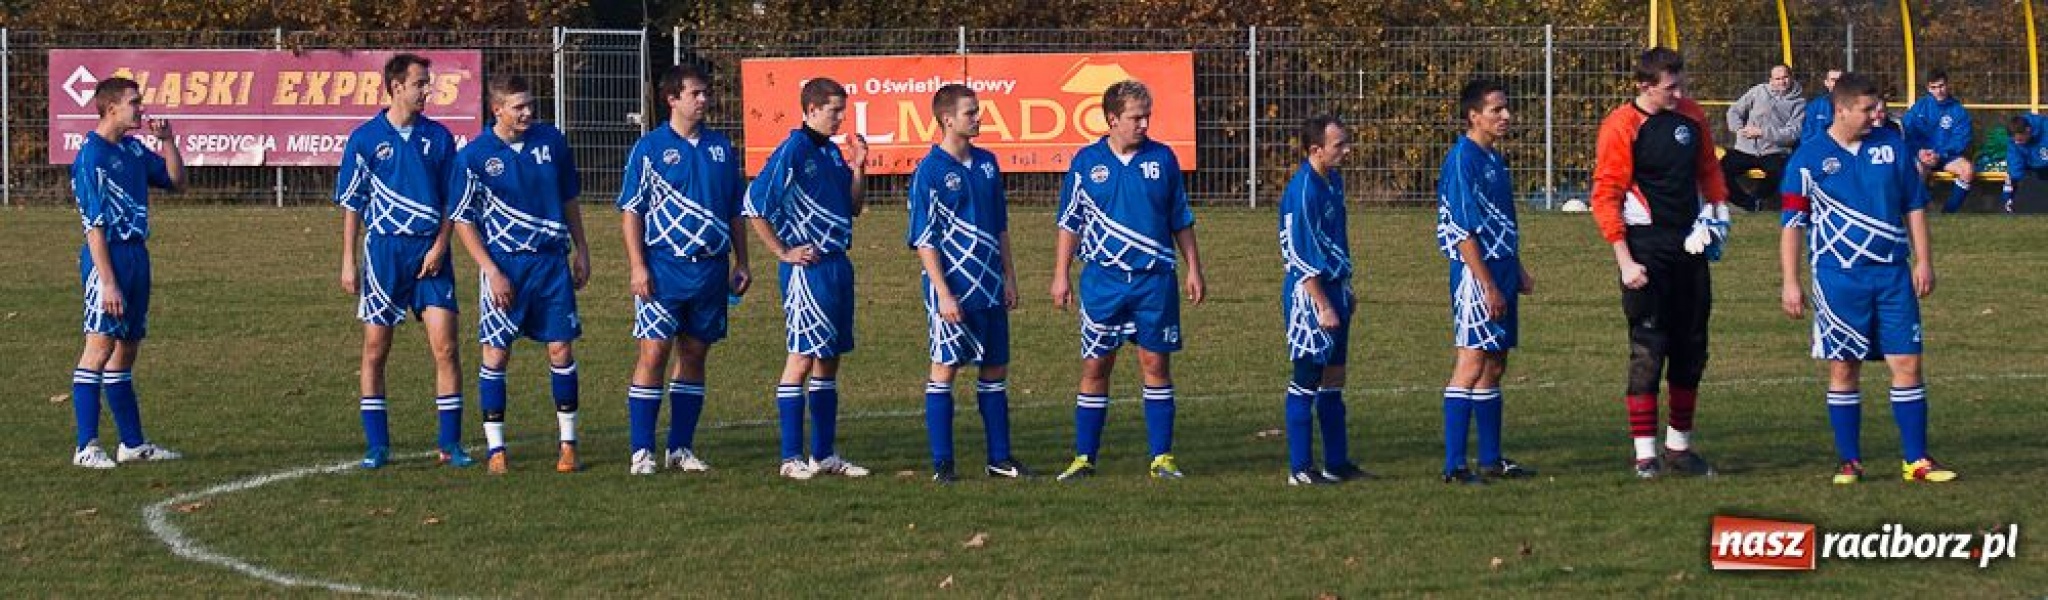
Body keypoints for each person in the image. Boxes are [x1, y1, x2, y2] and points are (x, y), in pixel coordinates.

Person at [1777, 72, 1956, 484]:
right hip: (1838, 279)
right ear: (1840, 110)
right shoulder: (1807, 158)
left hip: (1893, 275)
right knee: (1844, 368)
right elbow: (1792, 224)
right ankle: (1850, 461)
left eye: (1878, 108)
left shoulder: (1892, 148)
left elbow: (1914, 205)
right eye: (1866, 109)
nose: (1876, 116)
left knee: (1908, 361)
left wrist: (1923, 261)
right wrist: (1790, 280)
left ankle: (1917, 461)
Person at [1049, 79, 1208, 481]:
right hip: (1103, 282)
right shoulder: (1086, 163)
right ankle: (1085, 458)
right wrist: (1060, 276)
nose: (1144, 124)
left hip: (1154, 281)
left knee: (1155, 362)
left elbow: (1180, 219)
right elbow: (1070, 223)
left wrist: (1193, 267)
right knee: (1096, 366)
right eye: (1136, 117)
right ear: (1112, 119)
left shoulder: (1163, 159)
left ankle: (1162, 458)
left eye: (1147, 116)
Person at [1590, 47, 1728, 479]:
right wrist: (1625, 259)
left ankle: (1679, 449)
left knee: (1692, 347)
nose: (1679, 93)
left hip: (1690, 245)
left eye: (1681, 84)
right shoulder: (1622, 126)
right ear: (1644, 86)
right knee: (1649, 349)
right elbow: (1606, 194)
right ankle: (1644, 454)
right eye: (1670, 87)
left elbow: (1708, 170)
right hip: (1646, 248)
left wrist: (1718, 215)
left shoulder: (1692, 116)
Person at [449, 75, 589, 475]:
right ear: (497, 110)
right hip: (505, 267)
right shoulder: (474, 156)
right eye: (518, 106)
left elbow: (569, 198)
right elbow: (462, 219)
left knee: (561, 349)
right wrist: (491, 271)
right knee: (496, 354)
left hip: (550, 265)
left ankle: (568, 446)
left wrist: (582, 248)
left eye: (530, 104)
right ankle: (497, 451)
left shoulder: (552, 142)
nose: (528, 112)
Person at [335, 53, 469, 470]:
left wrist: (442, 245)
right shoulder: (364, 139)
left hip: (431, 255)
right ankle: (378, 445)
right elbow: (353, 205)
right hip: (384, 255)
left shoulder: (439, 138)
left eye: (428, 82)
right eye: (420, 83)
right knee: (376, 350)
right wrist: (347, 260)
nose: (428, 90)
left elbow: (453, 198)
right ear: (396, 87)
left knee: (446, 347)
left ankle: (451, 444)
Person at [616, 64, 751, 475]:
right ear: (671, 99)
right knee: (654, 352)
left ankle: (680, 448)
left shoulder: (720, 147)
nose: (704, 100)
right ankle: (642, 451)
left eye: (706, 93)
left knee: (694, 353)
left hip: (710, 271)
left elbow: (734, 209)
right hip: (663, 269)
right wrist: (638, 266)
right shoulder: (650, 149)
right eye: (695, 93)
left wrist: (742, 260)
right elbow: (631, 211)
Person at [744, 77, 872, 480]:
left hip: (837, 265)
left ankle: (823, 455)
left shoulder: (833, 154)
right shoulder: (793, 149)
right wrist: (782, 251)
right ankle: (789, 457)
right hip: (807, 269)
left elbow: (852, 207)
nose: (840, 118)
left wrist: (858, 167)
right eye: (834, 110)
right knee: (800, 358)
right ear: (812, 109)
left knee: (828, 360)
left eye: (842, 110)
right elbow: (753, 204)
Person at [906, 84, 1031, 483]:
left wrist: (1010, 276)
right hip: (953, 288)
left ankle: (1000, 458)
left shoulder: (988, 163)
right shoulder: (929, 171)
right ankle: (943, 464)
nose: (978, 118)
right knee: (945, 369)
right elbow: (924, 238)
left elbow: (1000, 226)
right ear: (947, 120)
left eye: (978, 111)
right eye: (971, 113)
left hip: (990, 285)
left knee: (995, 369)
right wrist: (943, 292)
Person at [67, 77, 186, 469]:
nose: (141, 108)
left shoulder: (133, 149)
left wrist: (168, 142)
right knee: (99, 349)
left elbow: (175, 182)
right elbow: (93, 225)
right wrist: (108, 281)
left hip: (137, 256)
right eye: (134, 102)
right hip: (109, 259)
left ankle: (132, 445)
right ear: (111, 107)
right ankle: (87, 446)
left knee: (127, 351)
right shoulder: (91, 157)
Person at [1434, 80, 1537, 485]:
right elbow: (1461, 231)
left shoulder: (1493, 159)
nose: (1506, 116)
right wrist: (1489, 285)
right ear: (1473, 116)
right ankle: (1455, 466)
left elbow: (1500, 222)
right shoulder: (1463, 160)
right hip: (1478, 277)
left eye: (1506, 108)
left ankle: (1491, 459)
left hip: (1503, 269)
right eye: (1496, 110)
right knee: (1471, 362)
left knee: (1495, 363)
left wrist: (1518, 268)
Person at [1276, 114, 1370, 486]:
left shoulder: (1333, 182)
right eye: (1339, 145)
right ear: (1315, 150)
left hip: (1334, 288)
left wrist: (1344, 289)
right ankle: (1300, 469)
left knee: (1335, 377)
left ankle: (1336, 462)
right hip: (1309, 295)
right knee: (1307, 377)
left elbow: (1337, 239)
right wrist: (1323, 303)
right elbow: (1297, 254)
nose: (1346, 151)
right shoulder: (1301, 192)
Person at [1723, 64, 1805, 211]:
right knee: (1718, 170)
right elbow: (1734, 111)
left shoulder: (1799, 103)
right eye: (1777, 78)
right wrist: (1738, 129)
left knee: (1780, 172)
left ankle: (1758, 200)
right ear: (1771, 80)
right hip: (1745, 149)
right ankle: (1746, 203)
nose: (1782, 82)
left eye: (1785, 77)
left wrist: (1762, 132)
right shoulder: (1759, 91)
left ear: (1791, 78)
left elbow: (1793, 133)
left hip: (1774, 151)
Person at [1902, 70, 1976, 213]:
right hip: (1923, 156)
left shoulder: (1958, 111)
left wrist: (1939, 154)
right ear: (1928, 88)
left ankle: (1948, 212)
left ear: (1947, 85)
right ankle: (1919, 210)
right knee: (1916, 170)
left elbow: (1961, 140)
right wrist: (1919, 151)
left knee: (1967, 170)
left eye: (1941, 86)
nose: (1938, 91)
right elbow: (1907, 132)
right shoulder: (1920, 107)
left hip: (1947, 157)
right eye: (1934, 87)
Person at [2000, 113, 2048, 212]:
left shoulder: (2045, 128)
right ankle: (2006, 208)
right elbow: (2015, 166)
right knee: (2011, 176)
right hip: (2031, 167)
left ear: (2028, 130)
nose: (2017, 143)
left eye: (2019, 139)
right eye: (2015, 140)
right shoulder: (2014, 141)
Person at [1800, 69, 1843, 144]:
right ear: (1826, 83)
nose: (1837, 83)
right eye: (1833, 80)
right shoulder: (1815, 106)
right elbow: (1807, 135)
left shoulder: (1855, 105)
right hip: (1819, 150)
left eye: (1840, 80)